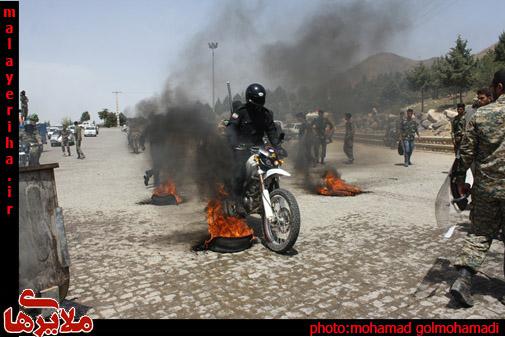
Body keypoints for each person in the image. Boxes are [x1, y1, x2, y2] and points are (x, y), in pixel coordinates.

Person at [450, 69, 505, 307]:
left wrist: (460, 181)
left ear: (499, 87)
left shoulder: (481, 116)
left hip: (486, 189)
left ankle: (463, 280)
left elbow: (466, 153)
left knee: (480, 235)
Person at [227, 83, 281, 216]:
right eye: (256, 101)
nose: (258, 104)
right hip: (241, 148)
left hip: (259, 147)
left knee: (272, 165)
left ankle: (270, 194)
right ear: (249, 99)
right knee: (239, 171)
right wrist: (234, 143)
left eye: (260, 101)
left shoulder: (266, 114)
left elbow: (271, 131)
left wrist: (277, 146)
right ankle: (238, 201)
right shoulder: (241, 112)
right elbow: (231, 128)